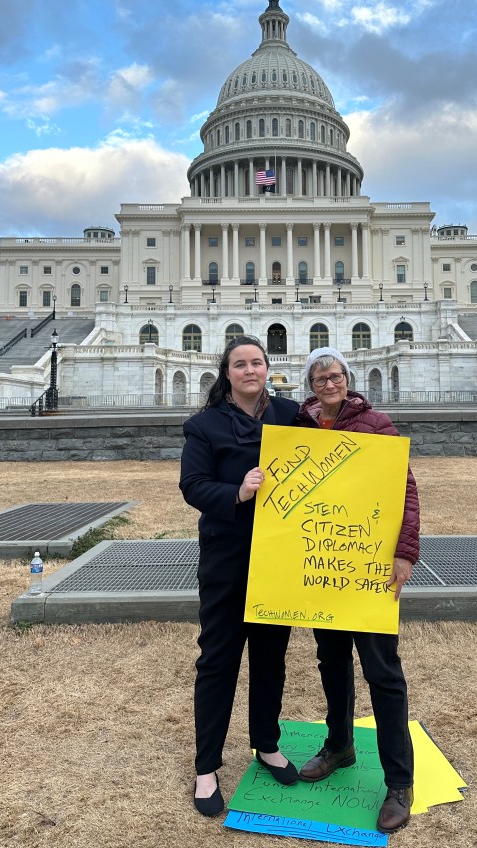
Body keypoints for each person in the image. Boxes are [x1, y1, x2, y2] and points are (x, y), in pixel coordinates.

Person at [295, 347, 420, 835]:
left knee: (383, 672)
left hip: (366, 564)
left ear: (348, 377)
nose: (330, 383)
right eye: (321, 377)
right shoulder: (300, 429)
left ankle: (398, 782)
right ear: (310, 383)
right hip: (323, 562)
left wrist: (404, 552)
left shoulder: (377, 423)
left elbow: (404, 489)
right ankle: (340, 745)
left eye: (336, 375)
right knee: (331, 660)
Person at [179, 335, 301, 816]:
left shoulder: (291, 414)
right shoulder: (204, 425)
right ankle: (206, 766)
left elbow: (338, 447)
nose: (250, 370)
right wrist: (238, 491)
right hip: (229, 556)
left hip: (279, 556)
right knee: (218, 661)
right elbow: (192, 486)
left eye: (257, 362)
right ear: (226, 373)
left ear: (268, 368)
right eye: (240, 364)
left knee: (271, 655)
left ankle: (266, 743)